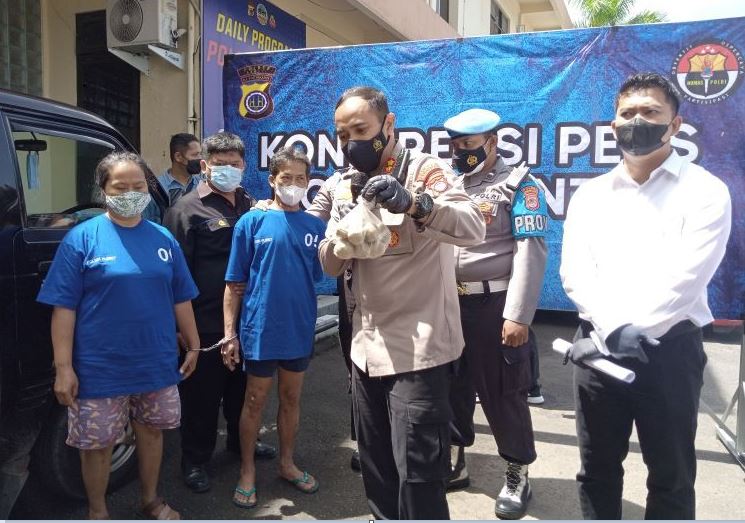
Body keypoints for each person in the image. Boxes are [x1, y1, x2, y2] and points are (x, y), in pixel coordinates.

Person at [560, 72, 731, 520]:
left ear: (675, 125)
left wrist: (621, 332)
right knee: (596, 471)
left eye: (651, 112)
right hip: (597, 351)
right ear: (612, 125)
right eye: (628, 113)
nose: (639, 121)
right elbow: (576, 271)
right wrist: (611, 331)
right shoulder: (591, 194)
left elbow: (686, 278)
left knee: (671, 475)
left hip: (668, 352)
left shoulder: (706, 192)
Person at [319, 86, 486, 520]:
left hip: (419, 352)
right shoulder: (343, 186)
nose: (351, 141)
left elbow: (471, 227)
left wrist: (415, 204)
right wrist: (345, 237)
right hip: (364, 351)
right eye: (342, 134)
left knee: (419, 477)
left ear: (388, 125)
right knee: (377, 471)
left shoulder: (425, 171)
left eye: (361, 129)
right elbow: (329, 266)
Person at [36, 152, 201, 520]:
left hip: (155, 361)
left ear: (147, 188)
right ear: (104, 190)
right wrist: (64, 367)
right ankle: (98, 511)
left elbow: (181, 296)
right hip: (99, 367)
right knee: (97, 445)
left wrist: (193, 343)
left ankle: (150, 500)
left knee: (152, 432)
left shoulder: (163, 239)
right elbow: (63, 307)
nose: (130, 192)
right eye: (120, 186)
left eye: (138, 185)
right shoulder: (82, 239)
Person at [443, 108, 548, 519]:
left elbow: (530, 250)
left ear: (492, 141)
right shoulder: (451, 183)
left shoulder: (519, 185)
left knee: (503, 391)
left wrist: (518, 315)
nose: (460, 152)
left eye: (468, 145)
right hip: (449, 302)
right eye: (455, 146)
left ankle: (517, 470)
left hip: (494, 305)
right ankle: (455, 459)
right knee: (451, 384)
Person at [163, 132, 276, 494]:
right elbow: (171, 274)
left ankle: (239, 442)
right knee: (202, 398)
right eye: (220, 163)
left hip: (249, 320)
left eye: (234, 163)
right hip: (203, 324)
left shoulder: (251, 205)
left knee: (244, 391)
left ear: (244, 165)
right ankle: (195, 460)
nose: (228, 169)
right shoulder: (185, 210)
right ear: (205, 165)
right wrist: (180, 328)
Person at [222, 146, 326, 509]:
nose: (294, 185)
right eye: (287, 178)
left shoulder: (317, 227)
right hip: (260, 330)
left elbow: (317, 276)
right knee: (254, 402)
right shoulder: (251, 222)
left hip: (298, 329)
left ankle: (286, 463)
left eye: (301, 178)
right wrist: (229, 333)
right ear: (272, 181)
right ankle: (247, 471)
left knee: (292, 400)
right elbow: (234, 284)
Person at [157, 133, 204, 205]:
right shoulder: (159, 187)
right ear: (178, 157)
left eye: (200, 154)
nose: (200, 158)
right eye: (195, 155)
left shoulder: (202, 183)